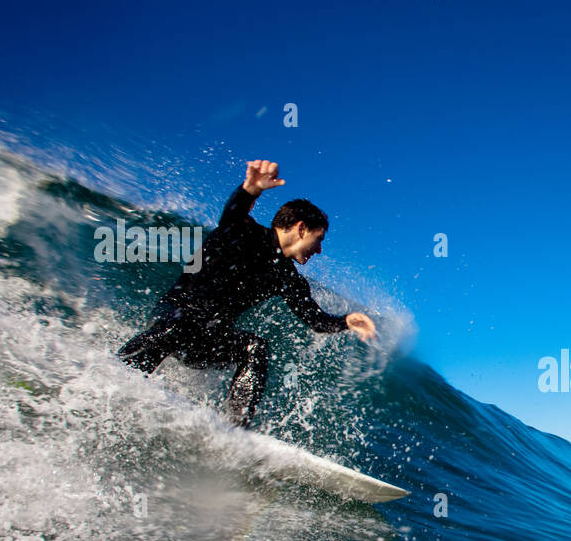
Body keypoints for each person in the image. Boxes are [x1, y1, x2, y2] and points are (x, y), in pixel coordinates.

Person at [116, 160, 376, 427]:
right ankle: (117, 374)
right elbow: (232, 214)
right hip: (170, 320)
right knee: (182, 325)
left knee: (255, 348)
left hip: (207, 340)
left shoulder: (288, 277)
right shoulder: (243, 232)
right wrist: (250, 190)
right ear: (301, 228)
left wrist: (346, 321)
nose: (319, 249)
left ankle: (235, 428)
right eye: (318, 239)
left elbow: (315, 320)